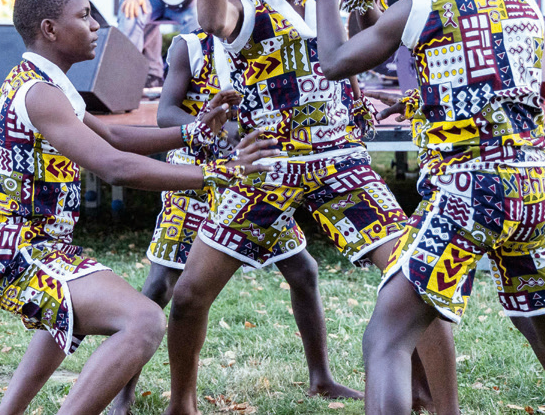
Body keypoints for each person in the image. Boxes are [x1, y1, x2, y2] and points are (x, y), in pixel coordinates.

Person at [161, 0, 459, 415]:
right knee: (188, 297)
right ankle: (183, 403)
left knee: (418, 281)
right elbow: (208, 18)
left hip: (342, 162)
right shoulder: (247, 10)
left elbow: (369, 46)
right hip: (269, 168)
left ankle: (436, 403)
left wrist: (367, 3)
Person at [312, 0, 545, 415]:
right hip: (532, 189)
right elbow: (480, 91)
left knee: (386, 338)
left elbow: (335, 61)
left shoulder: (423, 8)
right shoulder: (521, 7)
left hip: (466, 192)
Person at [0, 0, 277, 415]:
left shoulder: (45, 83)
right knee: (145, 320)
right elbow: (112, 166)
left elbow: (113, 137)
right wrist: (217, 173)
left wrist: (192, 129)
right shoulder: (39, 94)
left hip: (32, 246)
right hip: (17, 251)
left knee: (66, 317)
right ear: (50, 29)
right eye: (83, 15)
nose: (96, 25)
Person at [108, 28, 362, 415]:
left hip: (254, 183)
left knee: (303, 269)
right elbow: (165, 114)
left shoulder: (277, 47)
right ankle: (122, 395)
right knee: (161, 286)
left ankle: (321, 378)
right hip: (196, 179)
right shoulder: (191, 46)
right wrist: (224, 129)